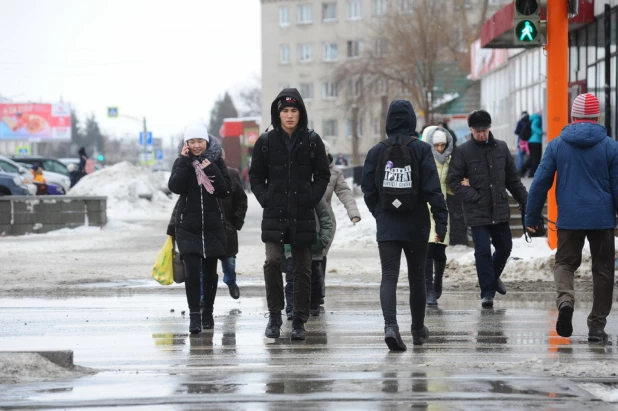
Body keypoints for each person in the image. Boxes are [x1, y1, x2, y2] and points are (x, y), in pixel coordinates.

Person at [525, 93, 618, 343]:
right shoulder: (610, 146)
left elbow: (540, 182)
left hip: (569, 217)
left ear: (573, 116)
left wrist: (531, 216)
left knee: (565, 264)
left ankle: (566, 300)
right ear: (596, 117)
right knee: (604, 270)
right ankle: (597, 326)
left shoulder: (557, 145)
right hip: (602, 218)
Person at [361, 100, 448, 351]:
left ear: (388, 121)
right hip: (416, 225)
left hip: (388, 225)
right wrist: (440, 222)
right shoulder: (421, 149)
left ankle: (391, 326)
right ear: (412, 121)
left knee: (389, 275)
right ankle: (418, 330)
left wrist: (380, 213)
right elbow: (433, 190)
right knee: (417, 278)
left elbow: (368, 190)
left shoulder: (376, 151)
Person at [249, 88, 330, 341]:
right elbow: (255, 176)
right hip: (275, 214)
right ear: (278, 113)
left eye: (294, 110)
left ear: (301, 112)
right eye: (285, 111)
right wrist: (266, 199)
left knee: (302, 268)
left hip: (303, 213)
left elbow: (323, 175)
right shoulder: (265, 141)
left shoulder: (313, 140)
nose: (290, 115)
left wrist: (310, 198)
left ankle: (298, 321)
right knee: (273, 262)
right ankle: (274, 316)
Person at [447, 110, 528, 308]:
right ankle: (487, 293)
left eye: (484, 130)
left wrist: (526, 202)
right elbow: (453, 180)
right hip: (476, 211)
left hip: (499, 209)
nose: (481, 134)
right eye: (477, 131)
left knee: (505, 247)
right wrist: (472, 196)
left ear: (489, 129)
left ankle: (490, 277)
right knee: (482, 250)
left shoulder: (501, 148)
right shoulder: (463, 151)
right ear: (471, 130)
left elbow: (513, 180)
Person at [168, 123, 231, 334]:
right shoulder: (182, 161)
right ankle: (194, 315)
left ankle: (208, 313)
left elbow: (224, 190)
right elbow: (175, 187)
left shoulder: (216, 161)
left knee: (210, 274)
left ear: (207, 142)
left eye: (199, 141)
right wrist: (185, 162)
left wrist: (209, 167)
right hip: (188, 226)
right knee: (193, 272)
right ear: (186, 144)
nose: (196, 146)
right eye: (192, 142)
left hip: (212, 226)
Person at [320, 141, 361, 302]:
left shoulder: (334, 172)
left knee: (320, 255)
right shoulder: (301, 169)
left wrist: (353, 213)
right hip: (304, 219)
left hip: (325, 222)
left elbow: (344, 192)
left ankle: (318, 292)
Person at [284, 197, 333, 319]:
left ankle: (313, 304)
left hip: (313, 244)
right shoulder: (286, 193)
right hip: (291, 243)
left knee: (314, 276)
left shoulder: (315, 193)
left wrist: (323, 240)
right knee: (291, 276)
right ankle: (291, 307)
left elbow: (326, 217)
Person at [421, 126, 454, 306]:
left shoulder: (449, 161)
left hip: (442, 209)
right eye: (436, 145)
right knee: (428, 250)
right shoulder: (422, 159)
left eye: (443, 145)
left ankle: (438, 280)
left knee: (439, 250)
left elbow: (449, 186)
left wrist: (460, 183)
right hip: (425, 209)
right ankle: (429, 289)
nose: (440, 149)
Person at [220, 149, 248, 300]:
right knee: (204, 267)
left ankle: (231, 282)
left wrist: (235, 223)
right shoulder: (201, 174)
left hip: (228, 228)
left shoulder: (232, 174)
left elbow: (241, 200)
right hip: (208, 230)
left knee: (229, 262)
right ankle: (203, 297)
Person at [522, 112, 543, 177]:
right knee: (535, 159)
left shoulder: (534, 118)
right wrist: (542, 132)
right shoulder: (538, 118)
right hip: (536, 141)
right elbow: (533, 126)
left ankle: (522, 172)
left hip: (532, 141)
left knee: (532, 159)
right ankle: (532, 174)